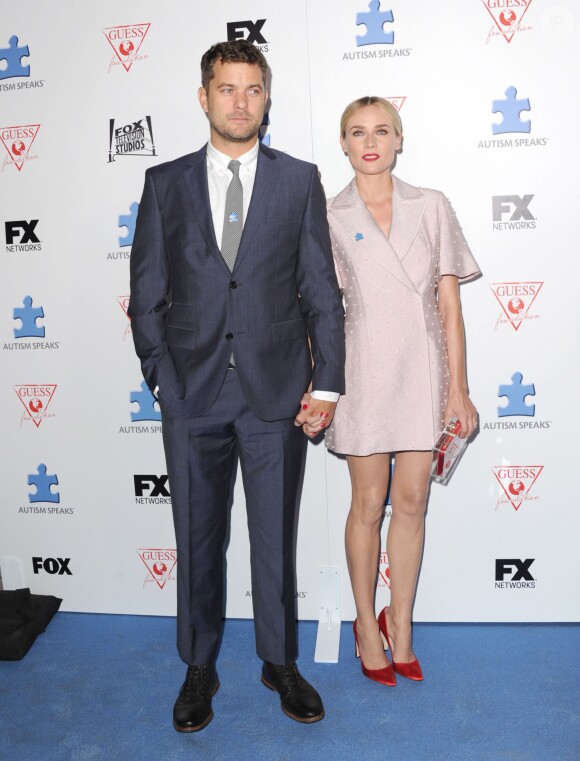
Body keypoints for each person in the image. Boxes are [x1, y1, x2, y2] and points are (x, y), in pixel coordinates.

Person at [128, 40, 345, 731]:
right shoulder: (165, 184)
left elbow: (321, 293)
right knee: (197, 537)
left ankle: (279, 660)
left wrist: (328, 386)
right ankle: (199, 664)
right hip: (191, 394)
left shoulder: (298, 180)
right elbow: (146, 292)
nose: (240, 102)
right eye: (227, 89)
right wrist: (161, 378)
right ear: (203, 96)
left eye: (253, 89)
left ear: (267, 97)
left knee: (273, 538)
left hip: (276, 392)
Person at [321, 96, 480, 686]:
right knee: (368, 504)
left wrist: (458, 390)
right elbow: (321, 312)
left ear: (400, 139)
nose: (370, 142)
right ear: (342, 143)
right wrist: (321, 387)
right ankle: (366, 624)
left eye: (382, 130)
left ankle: (402, 623)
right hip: (362, 373)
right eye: (357, 132)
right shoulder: (329, 214)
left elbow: (449, 305)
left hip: (424, 371)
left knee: (412, 502)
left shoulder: (431, 205)